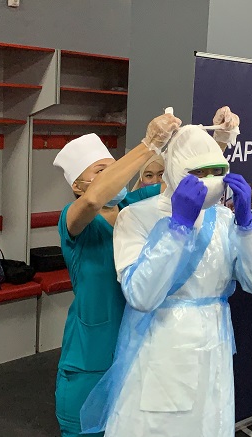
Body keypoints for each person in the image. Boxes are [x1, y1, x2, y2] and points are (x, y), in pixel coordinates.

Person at [79, 124, 252, 437]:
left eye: (217, 171)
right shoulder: (137, 216)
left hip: (215, 346)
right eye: (199, 172)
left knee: (208, 423)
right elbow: (141, 295)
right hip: (162, 345)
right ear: (177, 172)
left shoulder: (225, 219)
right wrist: (177, 230)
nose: (210, 180)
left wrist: (247, 227)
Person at [51, 113, 181, 437]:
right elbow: (94, 199)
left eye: (116, 167)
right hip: (88, 360)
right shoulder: (73, 220)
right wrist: (148, 144)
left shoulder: (132, 208)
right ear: (77, 185)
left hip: (132, 354)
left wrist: (214, 140)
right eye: (101, 171)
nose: (114, 176)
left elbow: (181, 187)